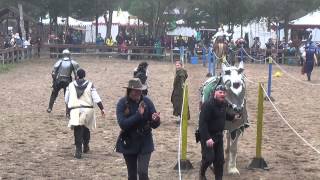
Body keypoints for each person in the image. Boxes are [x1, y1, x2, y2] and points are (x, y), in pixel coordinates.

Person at [115, 78, 160, 180]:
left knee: (143, 173)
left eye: (140, 90)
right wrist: (138, 115)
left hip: (145, 141)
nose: (139, 93)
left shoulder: (147, 101)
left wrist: (156, 120)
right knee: (132, 175)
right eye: (136, 90)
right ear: (129, 90)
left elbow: (155, 125)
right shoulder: (122, 103)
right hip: (129, 142)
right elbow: (123, 124)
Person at [65, 68, 105, 159]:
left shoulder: (70, 85)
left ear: (77, 76)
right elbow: (96, 98)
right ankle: (86, 145)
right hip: (88, 110)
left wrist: (67, 110)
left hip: (75, 110)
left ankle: (78, 149)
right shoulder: (90, 85)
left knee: (77, 129)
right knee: (86, 127)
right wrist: (102, 108)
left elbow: (66, 99)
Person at [198, 85, 235, 180]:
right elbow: (202, 123)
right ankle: (202, 173)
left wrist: (233, 117)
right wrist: (207, 138)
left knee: (219, 161)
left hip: (219, 136)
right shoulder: (207, 105)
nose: (222, 94)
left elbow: (223, 115)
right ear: (215, 93)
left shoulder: (223, 103)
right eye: (220, 92)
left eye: (224, 93)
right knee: (209, 158)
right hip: (208, 136)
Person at [47, 49, 79, 116]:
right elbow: (76, 74)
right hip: (67, 80)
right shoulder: (72, 62)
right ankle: (67, 113)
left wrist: (54, 80)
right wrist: (77, 82)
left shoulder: (60, 61)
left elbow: (53, 72)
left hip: (59, 80)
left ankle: (50, 107)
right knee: (68, 97)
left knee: (54, 93)